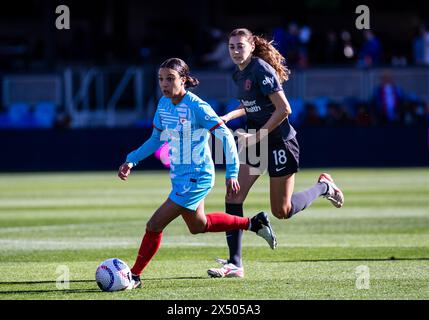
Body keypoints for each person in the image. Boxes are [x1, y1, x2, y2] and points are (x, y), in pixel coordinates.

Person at [117, 58, 277, 289]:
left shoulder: (197, 107)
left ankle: (135, 276)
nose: (164, 83)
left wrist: (232, 172)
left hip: (198, 177)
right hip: (180, 177)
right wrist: (131, 160)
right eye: (161, 79)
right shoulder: (163, 104)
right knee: (198, 226)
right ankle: (254, 223)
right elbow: (155, 139)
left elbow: (226, 137)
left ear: (183, 80)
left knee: (154, 225)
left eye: (170, 78)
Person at [207, 28, 344, 278]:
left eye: (240, 46)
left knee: (282, 211)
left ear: (251, 46)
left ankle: (324, 187)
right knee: (233, 195)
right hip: (257, 143)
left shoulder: (260, 68)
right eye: (231, 47)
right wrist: (229, 115)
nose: (236, 51)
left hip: (280, 142)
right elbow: (250, 103)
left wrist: (258, 135)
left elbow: (284, 109)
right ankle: (235, 264)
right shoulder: (238, 74)